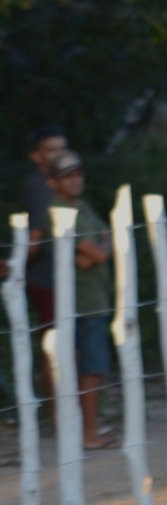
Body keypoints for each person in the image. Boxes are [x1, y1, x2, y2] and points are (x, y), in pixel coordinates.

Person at [47, 150, 117, 450]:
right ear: (53, 182)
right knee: (88, 369)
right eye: (67, 176)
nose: (75, 180)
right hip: (81, 304)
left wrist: (98, 248)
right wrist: (100, 249)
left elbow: (105, 237)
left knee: (90, 367)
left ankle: (87, 428)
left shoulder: (82, 207)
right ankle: (87, 433)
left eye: (78, 174)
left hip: (95, 298)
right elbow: (101, 250)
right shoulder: (59, 212)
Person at [20, 125, 69, 410]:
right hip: (46, 278)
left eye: (62, 148)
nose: (58, 155)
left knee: (63, 345)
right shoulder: (40, 188)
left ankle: (64, 411)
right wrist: (16, 267)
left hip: (58, 276)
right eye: (51, 150)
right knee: (55, 346)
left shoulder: (59, 183)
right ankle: (59, 412)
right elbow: (34, 240)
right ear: (36, 157)